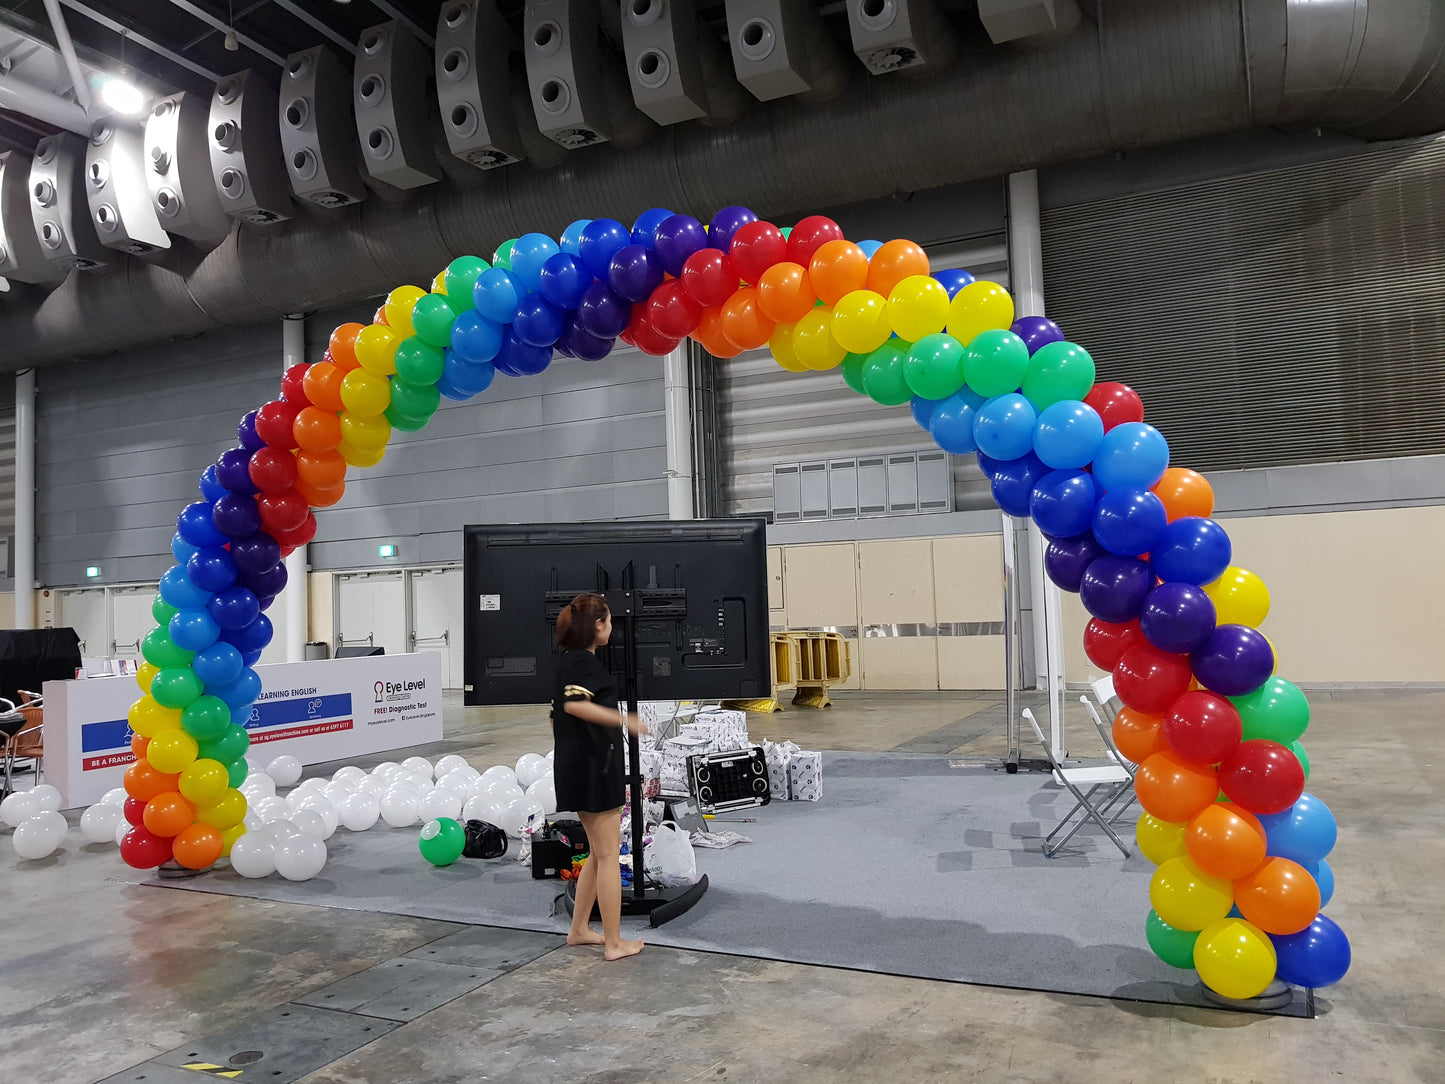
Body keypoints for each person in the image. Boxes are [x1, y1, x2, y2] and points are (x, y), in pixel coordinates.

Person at [552, 592, 645, 961]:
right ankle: (614, 943)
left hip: (580, 765)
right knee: (608, 857)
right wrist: (624, 720)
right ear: (597, 625)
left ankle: (579, 929)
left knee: (597, 852)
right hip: (594, 768)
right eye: (608, 621)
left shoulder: (569, 661)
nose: (612, 628)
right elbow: (575, 706)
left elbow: (559, 713)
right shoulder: (583, 664)